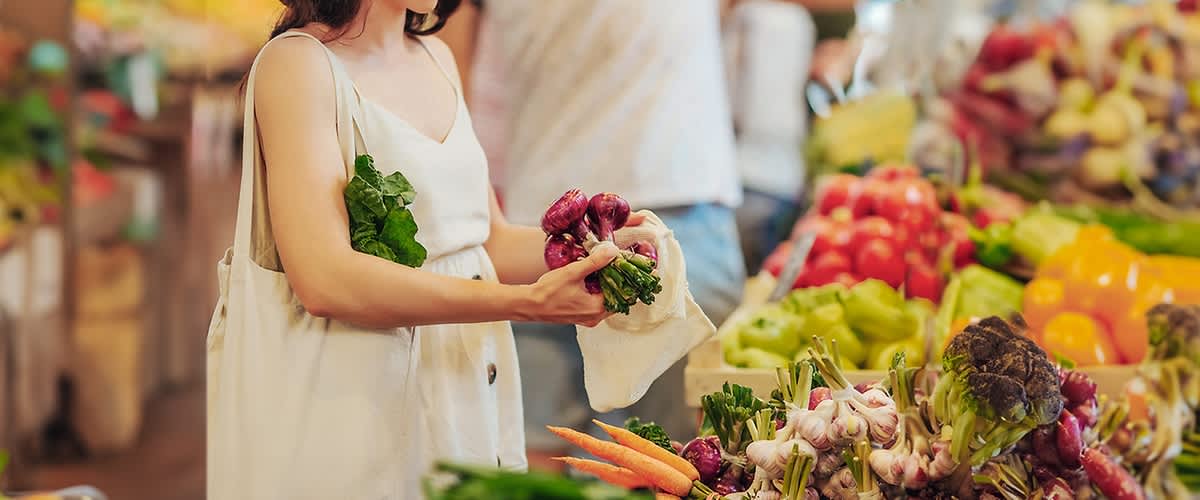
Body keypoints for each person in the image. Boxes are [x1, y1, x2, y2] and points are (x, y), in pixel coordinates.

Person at [205, 1, 656, 497]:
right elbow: (324, 279)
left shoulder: (435, 57)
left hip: (464, 388)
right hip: (353, 401)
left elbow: (485, 242)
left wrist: (601, 247)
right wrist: (528, 305)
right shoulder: (297, 65)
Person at [444, 0, 748, 461]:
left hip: (670, 208)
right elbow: (447, 73)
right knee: (534, 450)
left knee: (691, 460)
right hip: (539, 234)